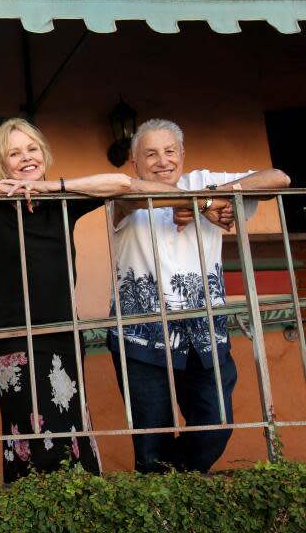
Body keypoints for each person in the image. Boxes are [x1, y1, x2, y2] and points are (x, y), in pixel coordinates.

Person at [0, 118, 133, 482]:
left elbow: (121, 183)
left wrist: (53, 188)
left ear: (44, 155)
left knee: (70, 431)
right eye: (14, 154)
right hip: (12, 337)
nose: (26, 158)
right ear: (3, 164)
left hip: (64, 333)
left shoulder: (64, 201)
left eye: (32, 149)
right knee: (27, 437)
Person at [108, 118, 290, 473]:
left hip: (205, 331)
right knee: (151, 437)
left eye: (169, 151)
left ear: (183, 154)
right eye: (151, 154)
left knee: (216, 423)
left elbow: (279, 178)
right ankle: (159, 499)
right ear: (135, 163)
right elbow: (126, 200)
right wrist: (199, 204)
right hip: (140, 335)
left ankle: (166, 480)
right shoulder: (121, 189)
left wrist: (207, 197)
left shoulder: (204, 181)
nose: (162, 161)